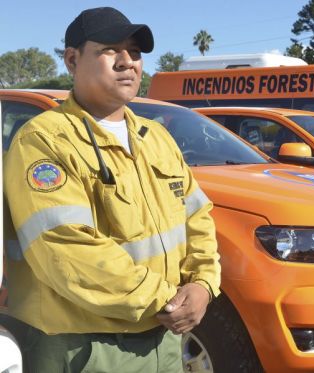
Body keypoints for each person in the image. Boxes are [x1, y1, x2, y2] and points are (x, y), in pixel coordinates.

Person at [3, 7, 220, 372]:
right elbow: (67, 250)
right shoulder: (43, 142)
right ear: (72, 59)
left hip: (163, 341)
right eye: (109, 50)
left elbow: (197, 217)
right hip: (86, 347)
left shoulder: (156, 138)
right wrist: (169, 300)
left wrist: (203, 284)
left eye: (134, 52)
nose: (127, 62)